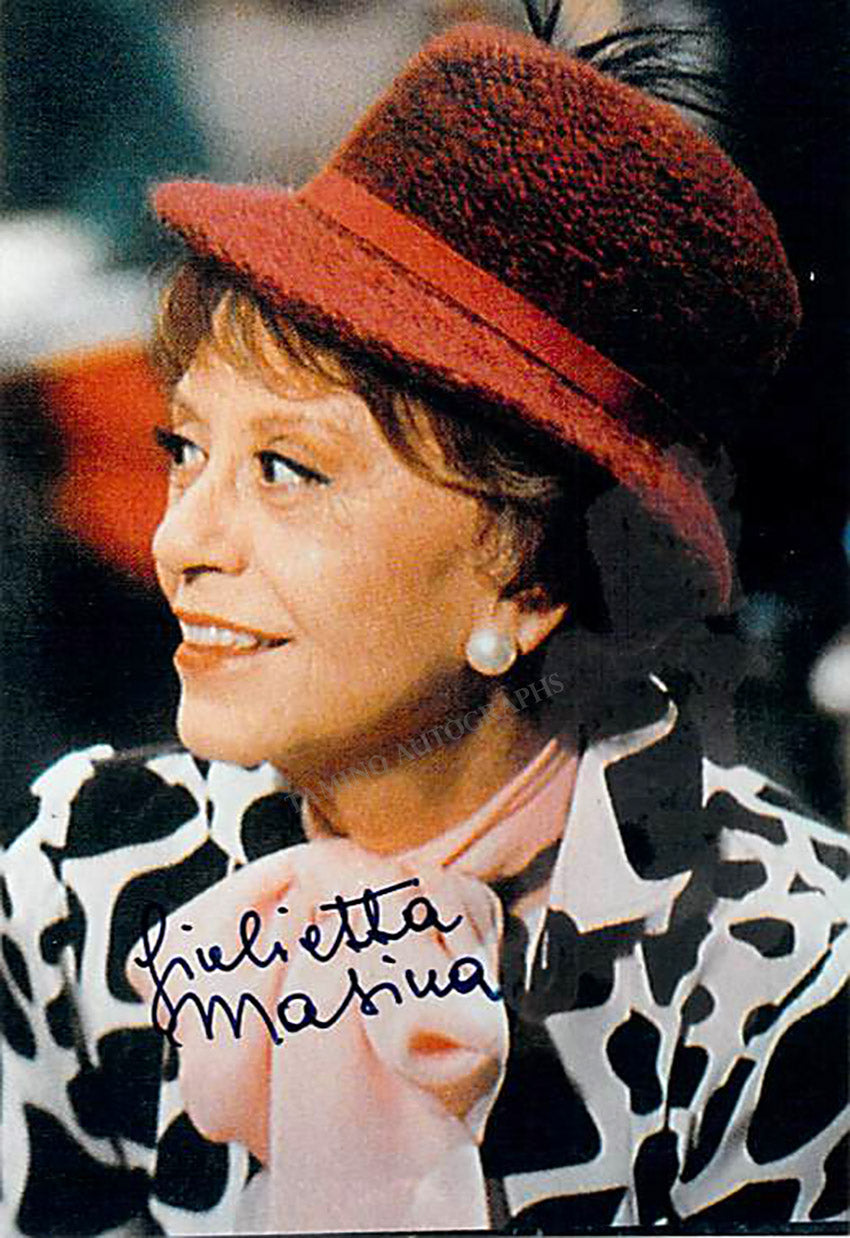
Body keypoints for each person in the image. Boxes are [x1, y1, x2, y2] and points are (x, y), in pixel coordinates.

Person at [1, 20, 847, 1236]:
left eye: (287, 469)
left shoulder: (781, 984)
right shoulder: (88, 874)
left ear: (533, 579)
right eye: (186, 448)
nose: (182, 538)